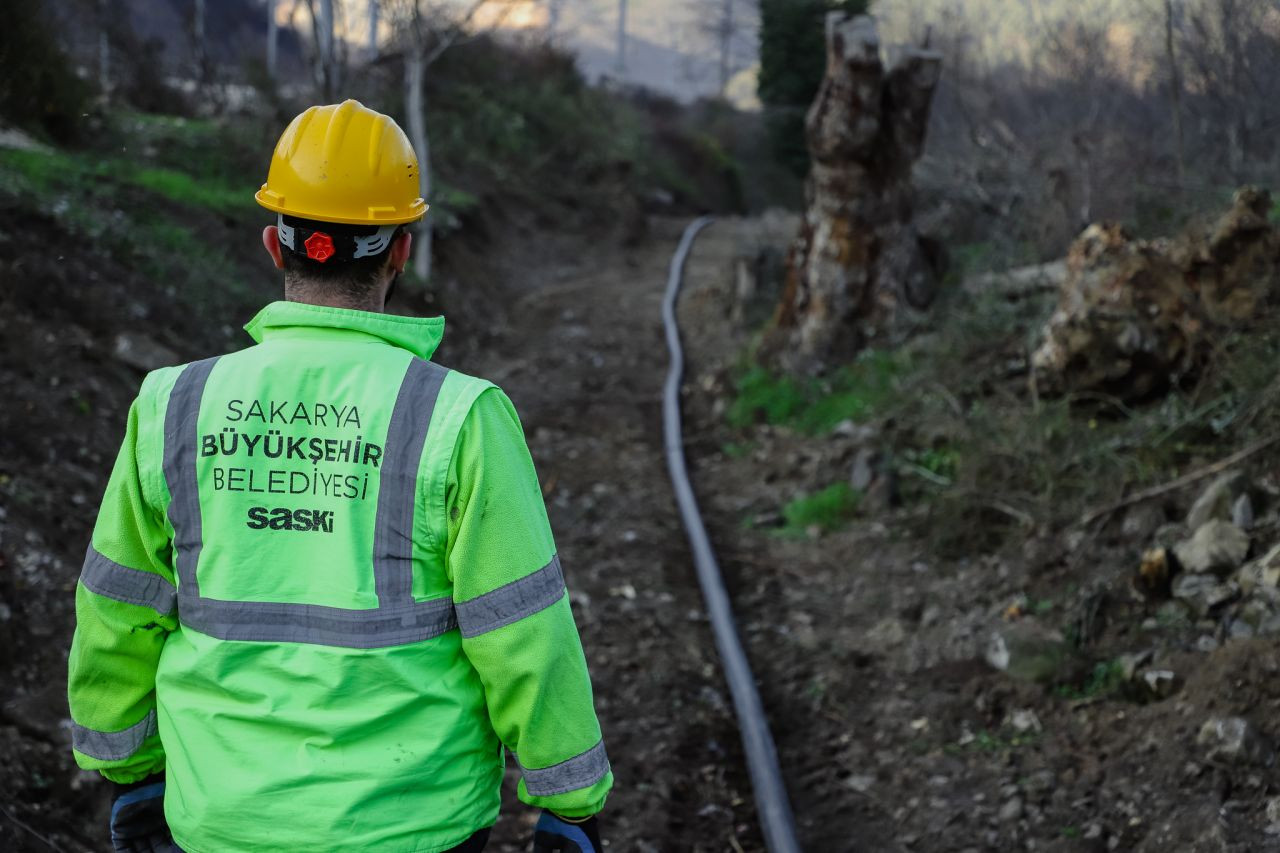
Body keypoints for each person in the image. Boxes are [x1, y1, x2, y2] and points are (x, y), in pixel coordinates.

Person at [66, 99, 612, 853]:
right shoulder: (458, 416)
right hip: (413, 826)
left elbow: (116, 611)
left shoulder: (174, 404)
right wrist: (570, 801)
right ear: (400, 252)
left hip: (220, 822)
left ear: (273, 243)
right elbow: (525, 632)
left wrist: (129, 773)